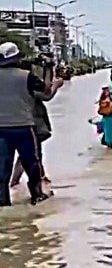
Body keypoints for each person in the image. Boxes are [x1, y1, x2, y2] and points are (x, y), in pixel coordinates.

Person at [0, 42, 57, 206]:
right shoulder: (26, 76)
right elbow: (46, 91)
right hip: (23, 126)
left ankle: (3, 202)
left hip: (1, 129)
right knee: (32, 162)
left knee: (2, 167)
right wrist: (48, 69)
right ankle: (36, 195)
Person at [10, 55, 64, 188]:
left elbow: (45, 86)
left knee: (33, 154)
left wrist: (49, 69)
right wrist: (56, 86)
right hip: (30, 123)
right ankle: (17, 183)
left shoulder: (14, 82)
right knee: (30, 154)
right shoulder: (26, 81)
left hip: (17, 121)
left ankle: (38, 178)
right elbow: (46, 94)